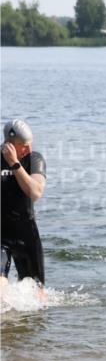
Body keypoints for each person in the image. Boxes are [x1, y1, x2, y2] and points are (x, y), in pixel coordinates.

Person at [1, 119, 47, 288]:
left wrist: (15, 164)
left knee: (38, 294)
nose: (29, 149)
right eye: (23, 145)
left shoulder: (34, 159)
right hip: (1, 234)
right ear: (9, 144)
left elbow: (35, 193)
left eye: (30, 144)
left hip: (26, 234)